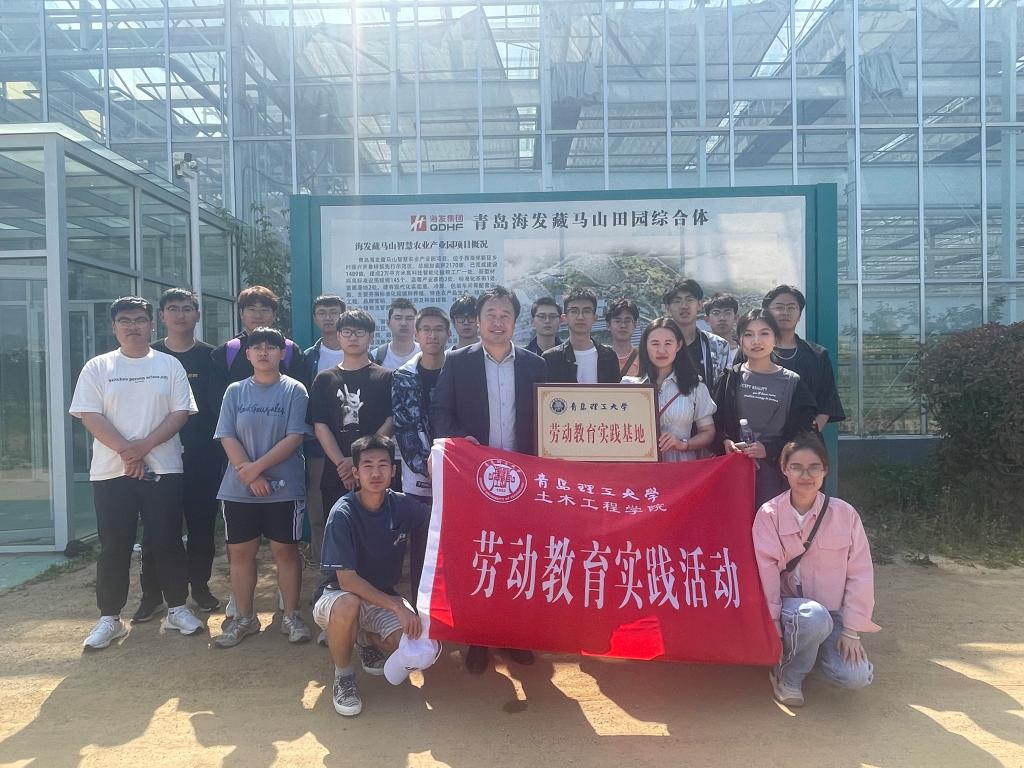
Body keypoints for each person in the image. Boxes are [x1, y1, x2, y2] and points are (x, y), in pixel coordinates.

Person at [70, 296, 204, 650]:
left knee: (168, 539)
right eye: (125, 321)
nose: (133, 327)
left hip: (164, 468)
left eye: (140, 320)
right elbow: (89, 415)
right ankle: (109, 618)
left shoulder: (169, 365)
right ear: (113, 327)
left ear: (151, 324)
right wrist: (127, 452)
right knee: (114, 545)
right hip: (111, 471)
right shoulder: (97, 367)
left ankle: (177, 608)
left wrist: (142, 448)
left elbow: (180, 413)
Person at [431, 286, 547, 673]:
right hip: (475, 481)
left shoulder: (535, 365)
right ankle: (477, 639)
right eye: (490, 316)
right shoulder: (457, 362)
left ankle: (515, 636)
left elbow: (548, 420)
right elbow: (440, 412)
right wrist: (462, 443)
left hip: (523, 481)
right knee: (478, 558)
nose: (498, 322)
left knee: (519, 557)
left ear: (516, 321)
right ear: (478, 322)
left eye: (505, 316)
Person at [753, 433, 878, 707]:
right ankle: (788, 676)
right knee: (813, 616)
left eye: (814, 467)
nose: (805, 475)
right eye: (796, 467)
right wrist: (773, 623)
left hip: (833, 614)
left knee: (855, 677)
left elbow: (860, 573)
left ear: (825, 470)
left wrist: (851, 631)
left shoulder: (844, 514)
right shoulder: (769, 514)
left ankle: (813, 653)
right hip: (791, 612)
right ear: (784, 469)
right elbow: (767, 572)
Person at [313, 435, 432, 717]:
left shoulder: (401, 505)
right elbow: (347, 581)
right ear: (355, 472)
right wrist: (398, 606)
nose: (376, 473)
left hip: (380, 596)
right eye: (368, 465)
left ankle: (364, 639)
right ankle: (343, 676)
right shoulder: (342, 512)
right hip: (338, 595)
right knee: (349, 605)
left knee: (417, 648)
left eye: (383, 465)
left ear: (394, 470)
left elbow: (441, 520)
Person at [213, 327, 313, 648]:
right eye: (257, 347)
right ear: (248, 354)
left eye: (271, 347)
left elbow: (294, 437)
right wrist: (251, 475)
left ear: (282, 353)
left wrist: (256, 469)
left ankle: (291, 616)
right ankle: (245, 618)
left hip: (284, 488)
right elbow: (226, 434)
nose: (264, 352)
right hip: (239, 488)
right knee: (241, 554)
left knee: (286, 552)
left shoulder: (295, 390)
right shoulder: (235, 391)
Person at [134, 288, 220, 622]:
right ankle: (151, 594)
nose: (180, 315)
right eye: (173, 309)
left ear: (197, 315)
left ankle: (199, 587)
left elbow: (216, 409)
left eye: (187, 309)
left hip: (202, 456)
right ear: (161, 316)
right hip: (156, 455)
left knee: (202, 526)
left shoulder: (211, 357)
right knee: (156, 528)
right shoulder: (148, 355)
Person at [712, 309, 817, 508]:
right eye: (748, 334)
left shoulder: (793, 382)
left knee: (772, 523)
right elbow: (714, 425)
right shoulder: (728, 379)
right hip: (735, 474)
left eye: (764, 333)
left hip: (777, 476)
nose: (756, 341)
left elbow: (803, 434)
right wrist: (724, 441)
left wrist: (769, 449)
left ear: (775, 338)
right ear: (740, 340)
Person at [308, 309, 394, 515]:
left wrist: (359, 461)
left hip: (374, 471)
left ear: (371, 336)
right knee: (338, 526)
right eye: (347, 332)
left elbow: (391, 421)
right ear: (338, 336)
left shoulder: (386, 377)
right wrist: (343, 464)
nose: (353, 338)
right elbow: (320, 426)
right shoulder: (324, 379)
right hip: (336, 472)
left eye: (360, 332)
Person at [391, 307, 449, 605]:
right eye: (426, 329)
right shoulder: (403, 376)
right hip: (417, 474)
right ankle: (419, 607)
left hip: (454, 472)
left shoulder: (460, 369)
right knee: (421, 542)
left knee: (452, 542)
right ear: (416, 334)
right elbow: (403, 426)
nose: (432, 335)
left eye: (438, 329)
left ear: (448, 334)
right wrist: (426, 465)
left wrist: (447, 464)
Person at [623, 318, 716, 461]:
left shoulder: (695, 386)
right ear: (645, 346)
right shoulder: (628, 387)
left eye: (668, 343)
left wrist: (683, 444)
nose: (662, 350)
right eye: (655, 344)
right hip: (641, 467)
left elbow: (708, 432)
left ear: (678, 345)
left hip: (681, 467)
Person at [209, 285, 308, 417]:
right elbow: (216, 401)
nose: (258, 315)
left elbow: (301, 399)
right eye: (251, 309)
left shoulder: (289, 350)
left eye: (264, 310)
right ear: (241, 313)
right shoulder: (227, 351)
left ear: (274, 314)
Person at [762, 285, 846, 432]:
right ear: (767, 313)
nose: (785, 312)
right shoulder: (752, 352)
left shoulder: (817, 354)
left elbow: (827, 401)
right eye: (779, 307)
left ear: (800, 315)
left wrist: (810, 433)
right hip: (760, 438)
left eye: (791, 307)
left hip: (805, 437)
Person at [303, 295, 347, 566]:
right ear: (315, 318)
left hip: (355, 446)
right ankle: (324, 569)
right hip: (318, 446)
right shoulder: (307, 357)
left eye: (334, 312)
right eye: (322, 313)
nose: (328, 318)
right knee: (319, 511)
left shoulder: (365, 353)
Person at [543, 287, 621, 384]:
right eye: (574, 311)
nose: (580, 317)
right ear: (564, 318)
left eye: (587, 311)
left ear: (595, 318)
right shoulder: (551, 358)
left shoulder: (609, 356)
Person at [663, 278, 731, 387]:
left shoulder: (718, 346)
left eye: (689, 300)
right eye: (677, 301)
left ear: (700, 304)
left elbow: (724, 388)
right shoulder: (658, 346)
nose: (684, 306)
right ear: (668, 308)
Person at [371, 298, 420, 369]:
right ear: (388, 323)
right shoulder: (375, 357)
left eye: (409, 318)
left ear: (417, 323)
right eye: (398, 318)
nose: (404, 323)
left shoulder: (426, 353)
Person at [605, 298, 641, 378]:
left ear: (635, 324)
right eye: (617, 321)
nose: (623, 325)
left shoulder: (643, 359)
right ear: (608, 325)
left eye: (627, 321)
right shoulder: (600, 358)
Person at [704, 293, 740, 366]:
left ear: (736, 318)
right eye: (716, 313)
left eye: (728, 313)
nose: (722, 318)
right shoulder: (701, 350)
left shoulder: (745, 351)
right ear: (707, 319)